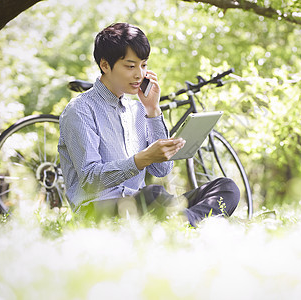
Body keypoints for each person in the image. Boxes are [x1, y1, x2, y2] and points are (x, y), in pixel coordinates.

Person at [58, 23, 240, 226]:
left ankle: (184, 221)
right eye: (130, 66)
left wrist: (153, 110)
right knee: (154, 194)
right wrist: (141, 159)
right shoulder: (80, 110)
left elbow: (162, 170)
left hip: (142, 204)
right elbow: (90, 179)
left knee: (226, 188)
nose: (140, 74)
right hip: (98, 210)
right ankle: (193, 221)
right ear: (105, 65)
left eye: (143, 65)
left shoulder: (138, 110)